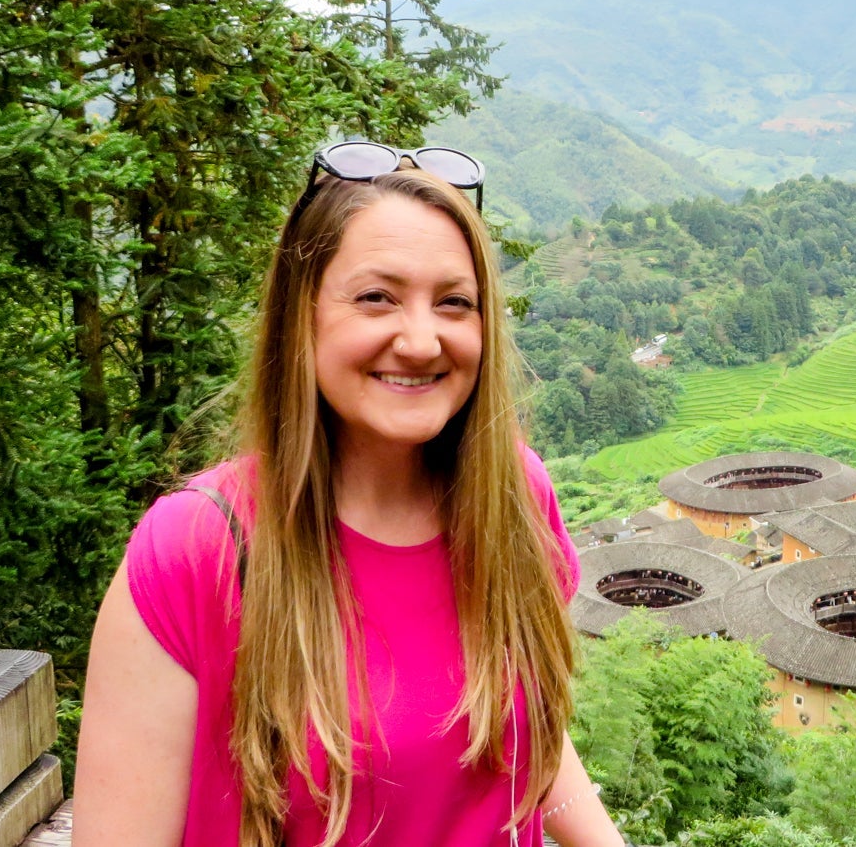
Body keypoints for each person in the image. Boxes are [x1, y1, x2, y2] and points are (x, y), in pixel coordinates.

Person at [74, 143, 623, 847]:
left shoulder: (513, 497)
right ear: (300, 315)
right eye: (377, 297)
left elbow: (528, 738)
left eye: (455, 302)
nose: (422, 340)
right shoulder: (193, 552)